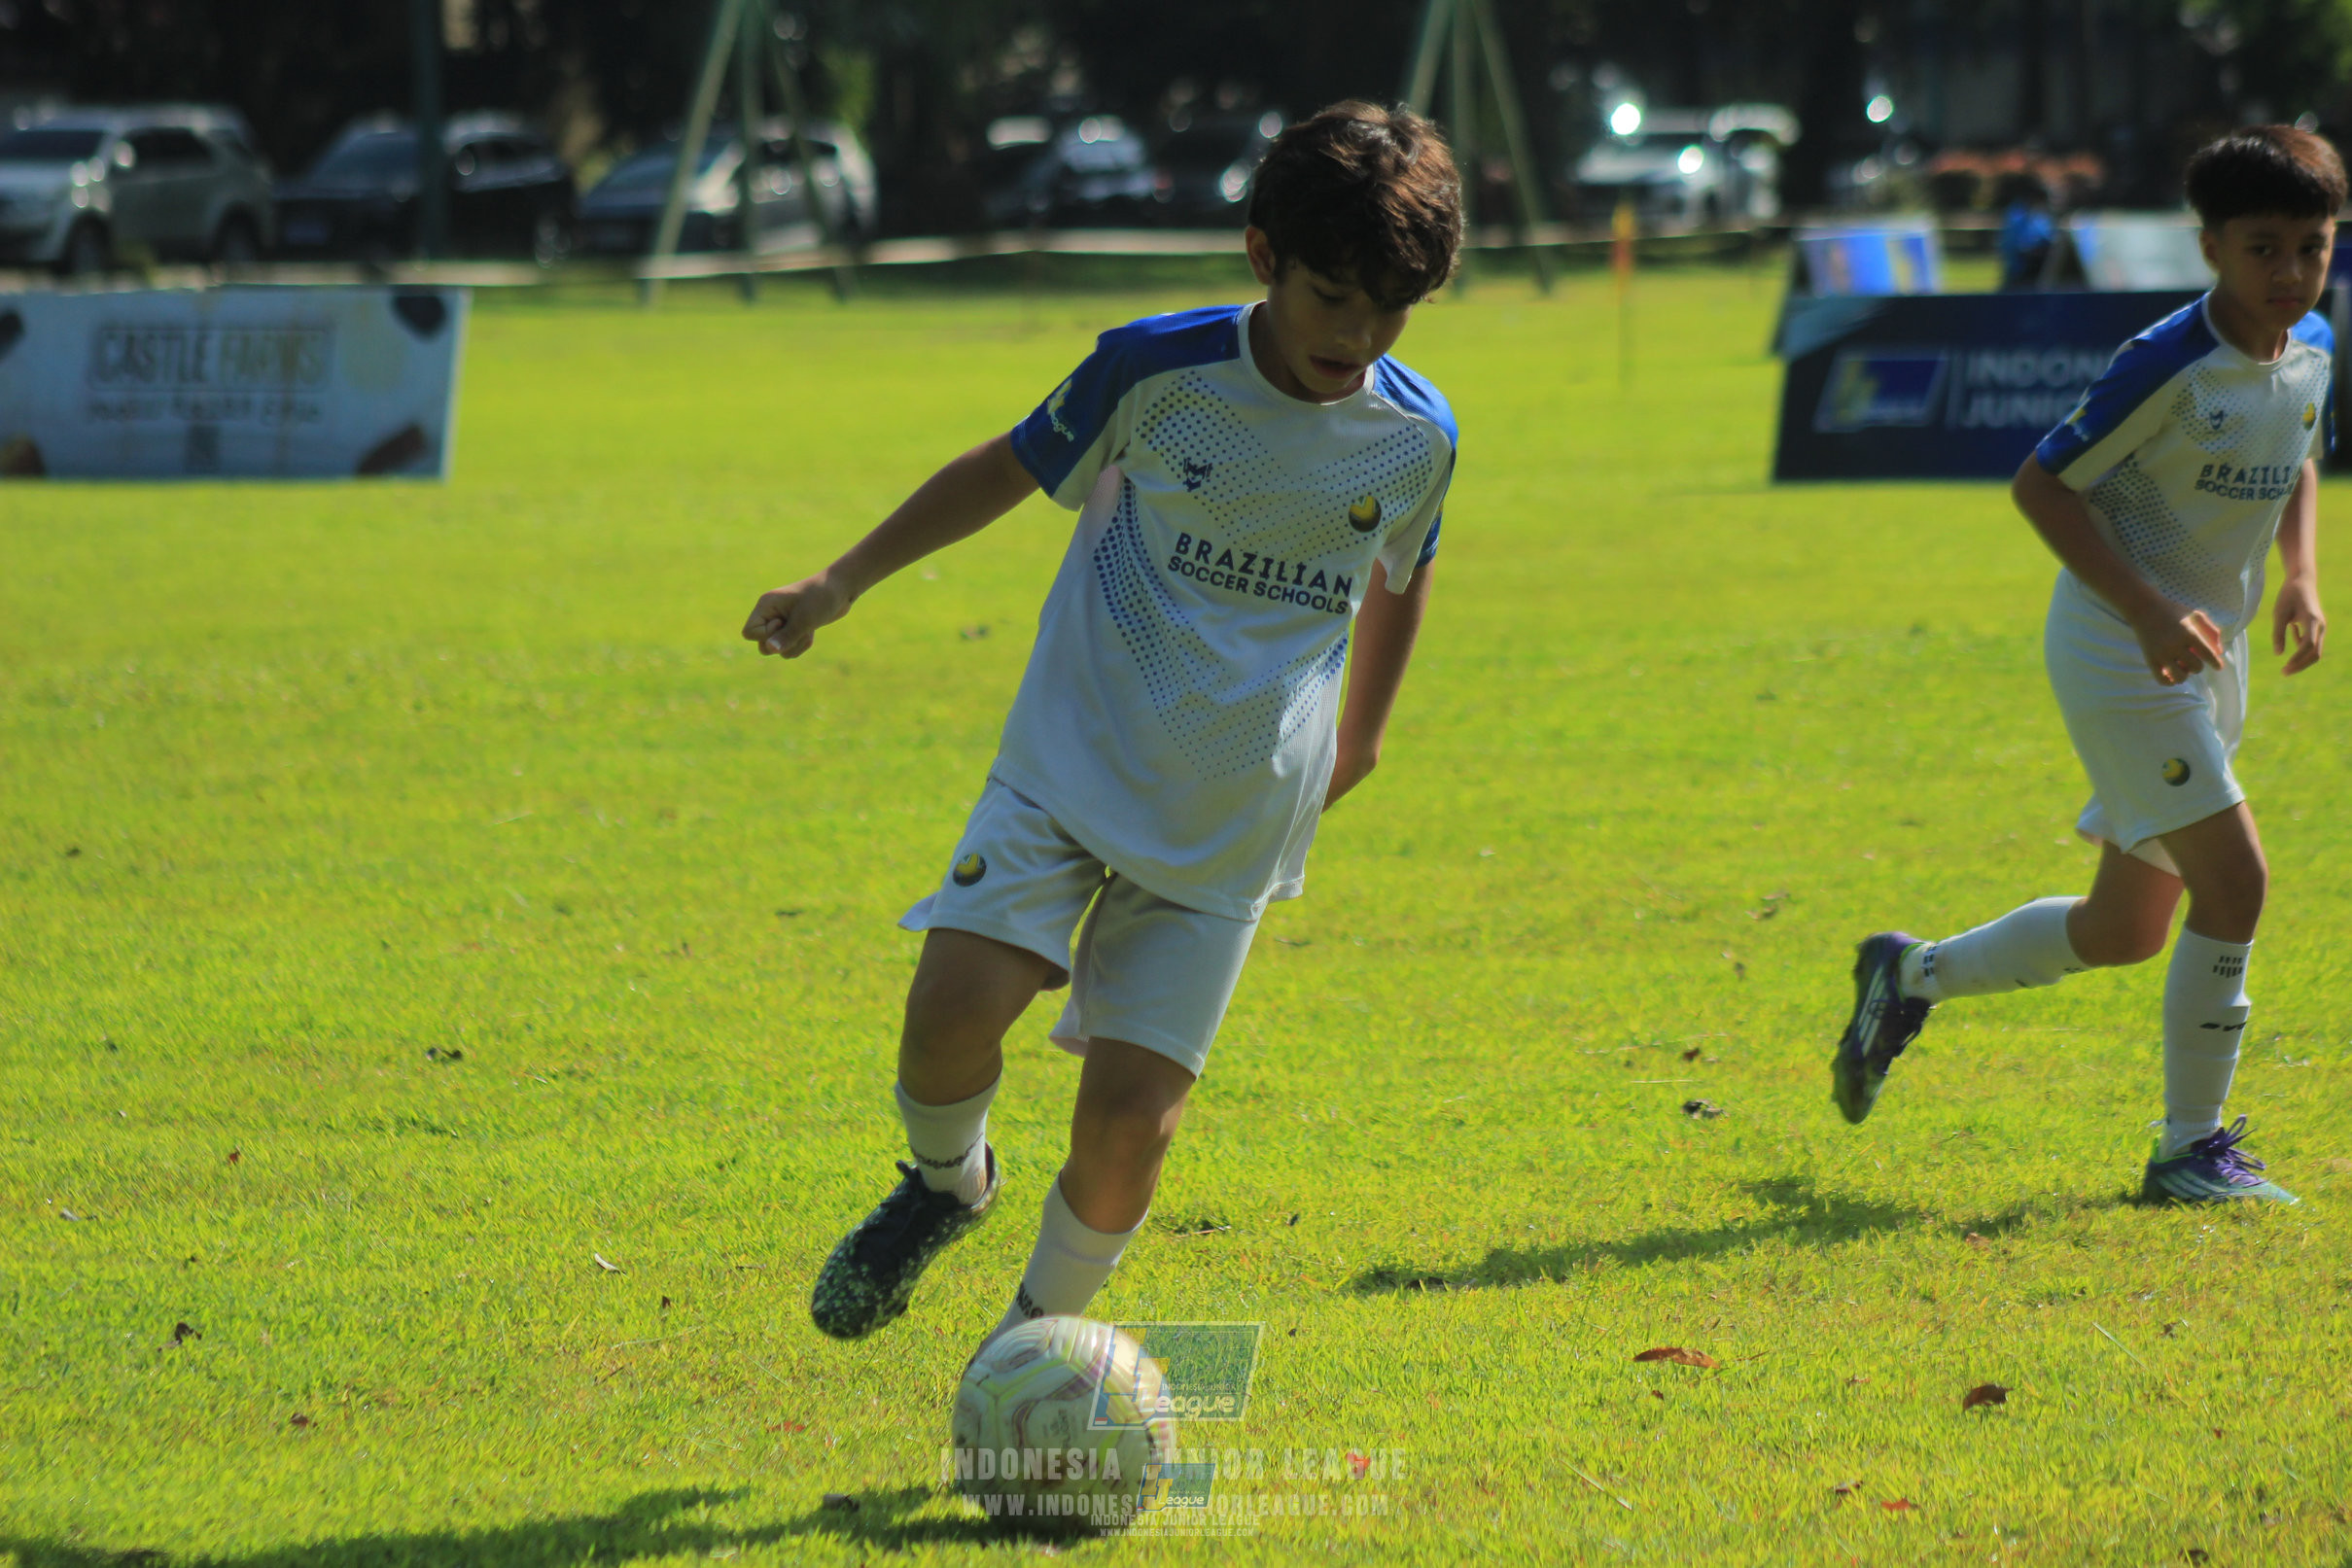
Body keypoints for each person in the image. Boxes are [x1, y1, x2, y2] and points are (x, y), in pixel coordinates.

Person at [741, 102, 1463, 1344]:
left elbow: (1407, 565)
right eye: (1332, 294)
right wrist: (841, 580)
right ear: (1262, 257)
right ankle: (943, 1183)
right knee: (953, 1004)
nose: (1355, 334)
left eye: (1388, 307)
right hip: (1075, 757)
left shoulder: (1415, 436)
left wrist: (1368, 734)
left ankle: (1026, 1354)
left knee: (1132, 1122)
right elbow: (1007, 465)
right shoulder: (1155, 370)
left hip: (1234, 810)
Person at [1832, 125, 2339, 1202]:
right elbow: (2040, 486)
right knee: (2236, 880)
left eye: (2312, 244)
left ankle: (1907, 973)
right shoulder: (2166, 362)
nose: (2290, 272)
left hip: (2205, 650)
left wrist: (2300, 576)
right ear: (2208, 248)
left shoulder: (2313, 347)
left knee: (2121, 930)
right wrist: (2151, 612)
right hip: (2123, 645)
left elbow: (2293, 456)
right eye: (2264, 247)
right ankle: (2186, 1151)